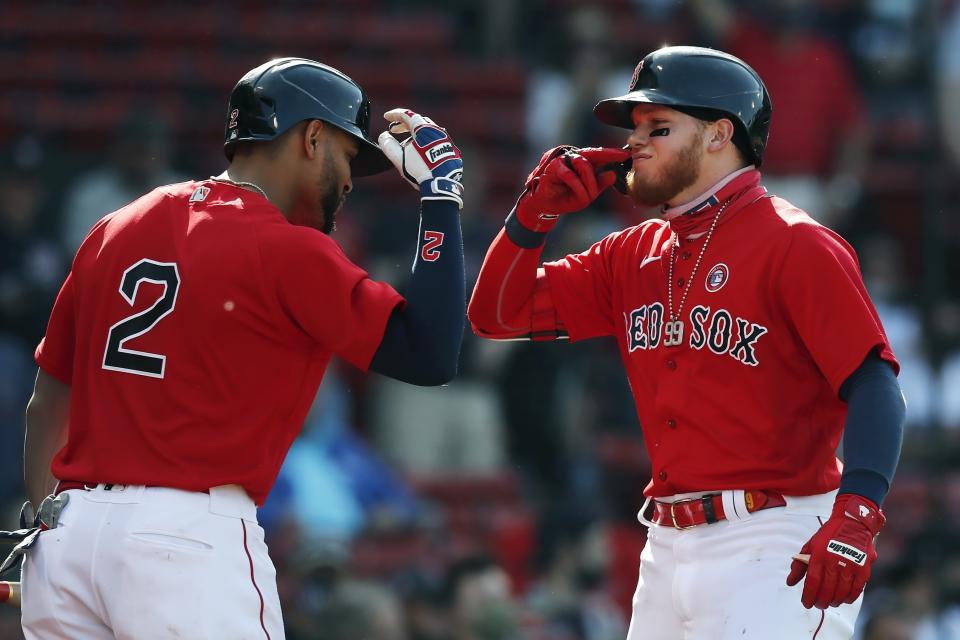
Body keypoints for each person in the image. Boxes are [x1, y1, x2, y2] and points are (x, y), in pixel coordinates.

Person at [15, 57, 466, 638]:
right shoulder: (289, 250)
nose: (351, 181)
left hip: (68, 541)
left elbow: (47, 398)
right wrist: (440, 198)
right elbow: (430, 354)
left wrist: (43, 521)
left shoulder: (116, 226)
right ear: (311, 138)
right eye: (349, 156)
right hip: (184, 544)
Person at [468, 45, 905, 639]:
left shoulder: (797, 243)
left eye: (659, 126)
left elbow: (875, 382)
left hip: (775, 537)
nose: (634, 143)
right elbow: (495, 316)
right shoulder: (633, 252)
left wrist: (859, 512)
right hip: (667, 545)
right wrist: (532, 219)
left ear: (720, 134)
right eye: (635, 128)